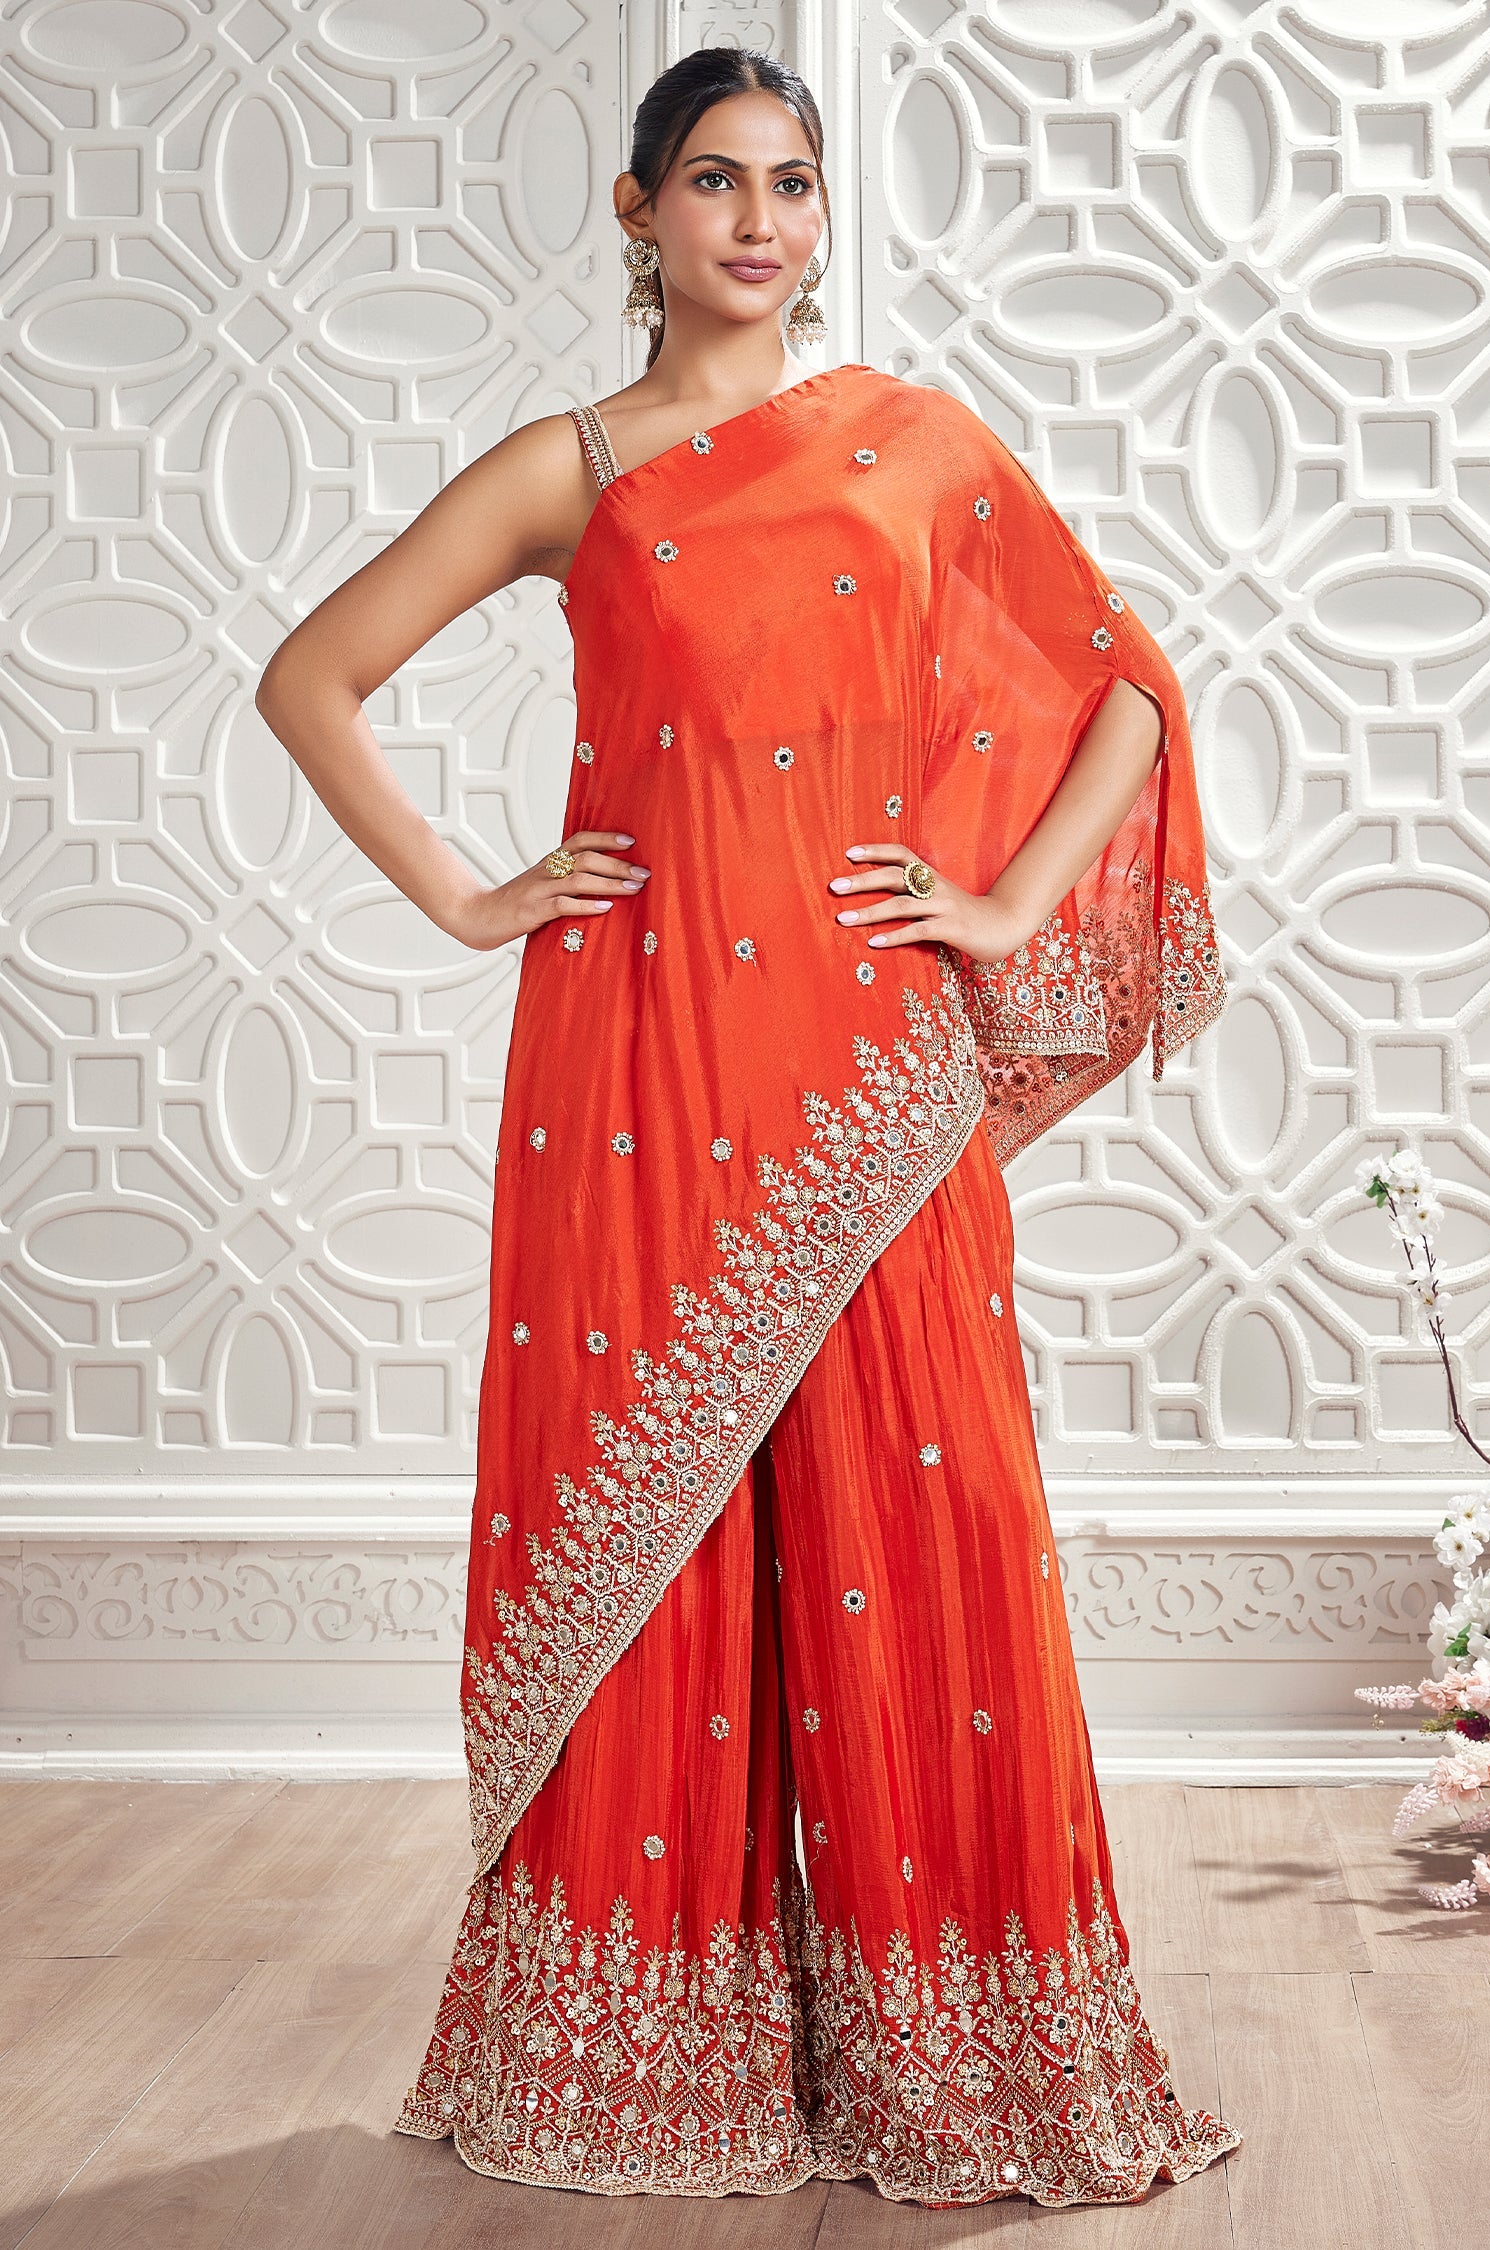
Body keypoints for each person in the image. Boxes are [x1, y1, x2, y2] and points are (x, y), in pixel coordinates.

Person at [255, 43, 1239, 2212]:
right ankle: (652, 2053)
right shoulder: (571, 471)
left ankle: (950, 2046)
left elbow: (1130, 686)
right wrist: (474, 896)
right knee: (660, 1538)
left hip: (872, 1071)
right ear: (639, 212)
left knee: (933, 1510)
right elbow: (310, 677)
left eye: (790, 183)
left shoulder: (917, 445)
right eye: (714, 181)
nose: (759, 222)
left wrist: (998, 907)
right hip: (638, 1062)